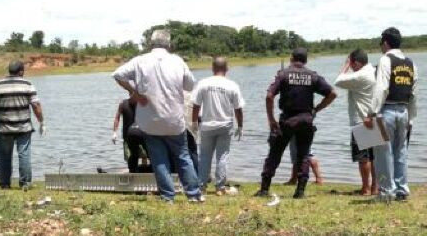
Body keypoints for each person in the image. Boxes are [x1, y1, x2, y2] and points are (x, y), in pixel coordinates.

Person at [112, 29, 203, 203]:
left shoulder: (140, 61)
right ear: (169, 44)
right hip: (174, 119)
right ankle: (193, 194)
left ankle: (168, 197)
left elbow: (117, 75)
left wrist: (134, 92)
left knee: (158, 159)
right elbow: (190, 85)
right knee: (183, 156)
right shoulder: (177, 61)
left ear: (150, 44)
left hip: (149, 121)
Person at [255, 48, 336, 199]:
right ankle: (300, 192)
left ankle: (264, 189)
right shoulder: (313, 76)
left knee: (275, 153)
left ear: (291, 58)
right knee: (303, 155)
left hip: (287, 120)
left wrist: (271, 120)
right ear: (306, 60)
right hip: (306, 120)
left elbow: (269, 96)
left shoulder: (283, 74)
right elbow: (333, 93)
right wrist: (316, 109)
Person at [364, 27, 418, 201]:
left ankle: (386, 192)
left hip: (386, 111)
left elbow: (381, 88)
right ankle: (401, 190)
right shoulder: (411, 63)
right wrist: (412, 118)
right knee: (401, 152)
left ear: (385, 43)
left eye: (381, 43)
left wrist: (371, 113)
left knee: (383, 154)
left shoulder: (385, 60)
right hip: (404, 111)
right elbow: (413, 94)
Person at [0, 61, 45, 190]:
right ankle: (25, 183)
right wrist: (42, 122)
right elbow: (36, 105)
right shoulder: (28, 85)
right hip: (24, 127)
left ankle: (5, 184)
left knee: (5, 156)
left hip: (5, 128)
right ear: (21, 71)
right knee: (24, 154)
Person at [192, 57, 244, 194]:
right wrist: (240, 126)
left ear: (213, 68)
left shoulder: (203, 83)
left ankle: (201, 186)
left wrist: (193, 123)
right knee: (222, 156)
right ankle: (220, 187)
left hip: (207, 125)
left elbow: (196, 105)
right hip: (225, 125)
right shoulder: (232, 85)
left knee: (204, 156)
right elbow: (238, 108)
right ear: (227, 69)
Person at [334, 49, 377, 195]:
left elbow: (338, 80)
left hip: (362, 119)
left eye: (352, 63)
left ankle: (365, 188)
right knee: (374, 157)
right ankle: (375, 188)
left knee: (363, 158)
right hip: (375, 117)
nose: (351, 66)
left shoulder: (360, 75)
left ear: (356, 62)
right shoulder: (373, 70)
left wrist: (345, 65)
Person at [112, 98, 150, 173]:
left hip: (140, 134)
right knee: (129, 156)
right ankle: (132, 173)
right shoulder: (123, 104)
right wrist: (114, 132)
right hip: (127, 137)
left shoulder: (141, 104)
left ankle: (145, 174)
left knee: (145, 155)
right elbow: (117, 117)